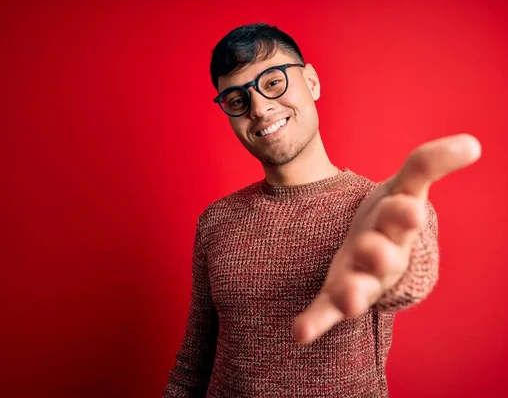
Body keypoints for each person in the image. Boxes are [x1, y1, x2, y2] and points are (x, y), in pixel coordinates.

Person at [164, 23, 481, 397]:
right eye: (237, 100)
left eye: (272, 82)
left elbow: (404, 271)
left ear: (311, 81)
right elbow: (193, 364)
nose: (260, 108)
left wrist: (398, 271)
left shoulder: (382, 209)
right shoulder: (216, 221)